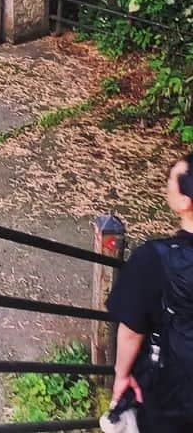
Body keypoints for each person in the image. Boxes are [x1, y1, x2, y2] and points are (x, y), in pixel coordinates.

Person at [108, 154, 193, 433]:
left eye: (172, 179)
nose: (167, 182)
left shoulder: (152, 259)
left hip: (170, 396)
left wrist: (121, 376)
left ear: (185, 202)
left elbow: (132, 331)